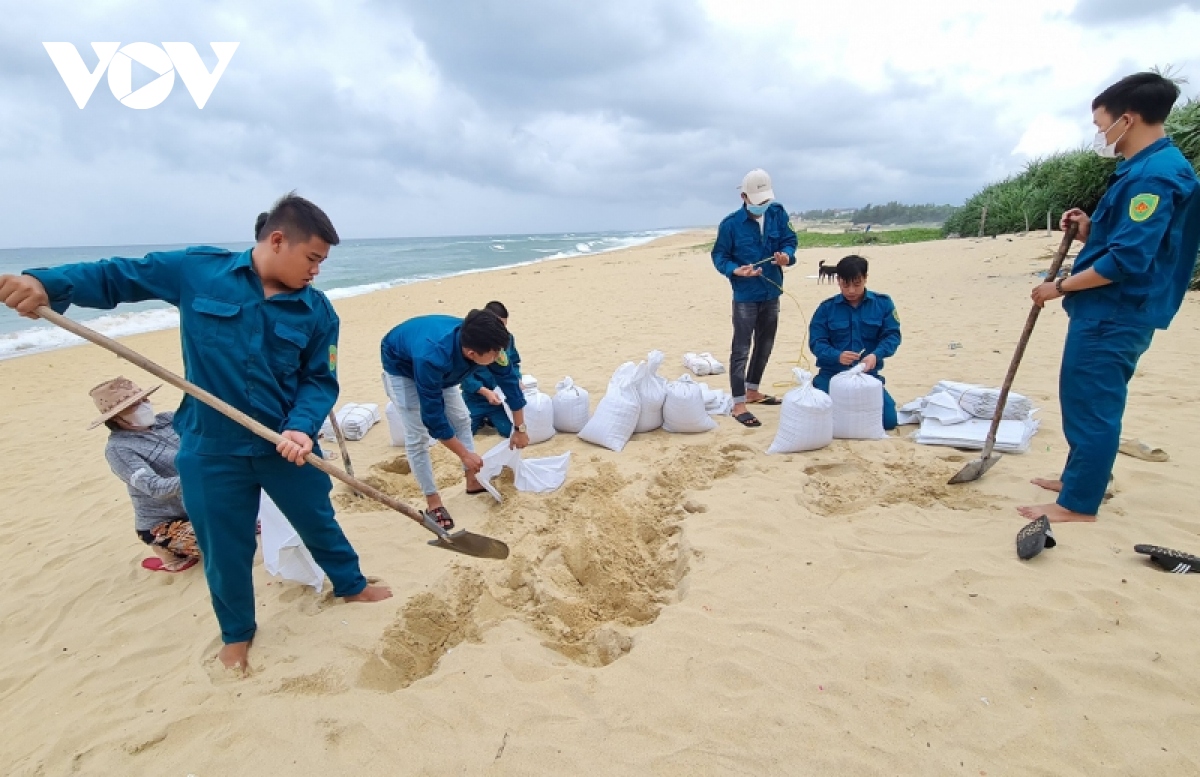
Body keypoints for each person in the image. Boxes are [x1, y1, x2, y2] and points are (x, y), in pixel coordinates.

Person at [0, 193, 393, 673]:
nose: (317, 271)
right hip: (209, 449)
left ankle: (351, 585)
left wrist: (301, 428)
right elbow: (118, 275)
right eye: (312, 258)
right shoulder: (198, 271)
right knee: (224, 548)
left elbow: (318, 381)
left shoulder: (318, 312)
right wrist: (43, 282)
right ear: (276, 240)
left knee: (318, 520)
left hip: (282, 447)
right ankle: (237, 635)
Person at [1022, 72, 1200, 524]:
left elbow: (1127, 261)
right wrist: (1090, 229)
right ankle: (1078, 478)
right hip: (1107, 309)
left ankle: (1078, 504)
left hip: (1118, 311)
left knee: (1093, 404)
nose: (1101, 135)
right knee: (1081, 396)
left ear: (1128, 118)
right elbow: (1124, 238)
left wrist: (1057, 286)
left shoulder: (1155, 175)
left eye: (1102, 125)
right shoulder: (1141, 169)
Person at [381, 309, 529, 529]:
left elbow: (509, 381)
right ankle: (433, 501)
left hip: (445, 364)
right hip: (402, 364)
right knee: (418, 434)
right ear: (471, 354)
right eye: (495, 352)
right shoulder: (432, 357)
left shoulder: (489, 341)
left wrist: (520, 428)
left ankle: (472, 478)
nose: (500, 355)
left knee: (461, 418)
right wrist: (464, 454)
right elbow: (433, 417)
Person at [711, 168, 798, 428]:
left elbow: (791, 240)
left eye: (766, 201)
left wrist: (786, 256)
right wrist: (735, 270)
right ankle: (738, 402)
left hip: (771, 291)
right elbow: (719, 256)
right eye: (758, 202)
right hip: (745, 294)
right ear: (744, 197)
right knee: (741, 348)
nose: (763, 206)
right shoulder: (730, 224)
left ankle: (753, 390)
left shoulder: (778, 213)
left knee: (765, 343)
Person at [91, 376, 200, 573]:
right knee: (218, 542)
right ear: (116, 418)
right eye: (133, 406)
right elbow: (154, 487)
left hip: (200, 503)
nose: (144, 406)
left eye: (144, 400)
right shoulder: (119, 449)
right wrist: (197, 475)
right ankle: (165, 552)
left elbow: (201, 426)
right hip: (165, 521)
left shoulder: (167, 420)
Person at [808, 254, 902, 430]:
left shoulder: (883, 304)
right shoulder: (826, 308)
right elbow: (816, 342)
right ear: (838, 281)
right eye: (845, 284)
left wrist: (876, 355)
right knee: (820, 419)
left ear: (865, 278)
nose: (851, 290)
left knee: (889, 421)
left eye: (857, 284)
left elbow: (892, 336)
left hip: (867, 376)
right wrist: (837, 356)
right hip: (832, 376)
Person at [461, 300, 522, 437]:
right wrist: (484, 391)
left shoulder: (507, 338)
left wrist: (517, 378)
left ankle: (490, 420)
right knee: (464, 432)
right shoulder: (470, 341)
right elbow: (463, 376)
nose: (503, 331)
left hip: (498, 398)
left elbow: (514, 362)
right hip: (474, 398)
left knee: (507, 431)